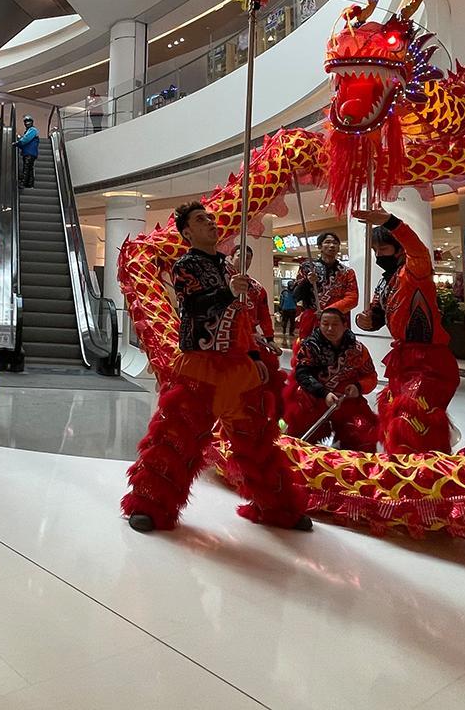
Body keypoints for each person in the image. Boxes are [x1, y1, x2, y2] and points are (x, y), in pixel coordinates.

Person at [121, 200, 311, 533]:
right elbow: (193, 304)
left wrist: (254, 356)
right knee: (176, 438)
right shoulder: (185, 266)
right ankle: (150, 506)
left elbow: (243, 320)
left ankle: (277, 507)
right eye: (200, 220)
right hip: (200, 366)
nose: (210, 222)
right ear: (187, 232)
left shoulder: (229, 268)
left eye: (210, 218)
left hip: (238, 368)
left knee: (257, 441)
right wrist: (227, 292)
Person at [351, 206, 458, 453]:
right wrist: (365, 321)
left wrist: (391, 222)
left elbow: (417, 249)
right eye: (375, 250)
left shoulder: (415, 271)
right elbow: (376, 315)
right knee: (396, 419)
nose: (378, 255)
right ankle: (404, 469)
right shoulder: (384, 283)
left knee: (415, 420)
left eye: (383, 249)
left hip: (430, 362)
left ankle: (426, 469)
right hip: (402, 360)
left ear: (399, 249)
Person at [284, 307, 378, 451]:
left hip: (347, 401)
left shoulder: (358, 349)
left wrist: (358, 387)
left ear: (344, 325)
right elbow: (302, 375)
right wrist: (324, 393)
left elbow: (370, 376)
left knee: (363, 434)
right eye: (325, 324)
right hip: (315, 400)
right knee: (299, 441)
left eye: (335, 324)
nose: (329, 329)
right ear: (319, 324)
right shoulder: (310, 347)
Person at [291, 232, 358, 354]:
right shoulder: (307, 267)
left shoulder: (347, 272)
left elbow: (352, 298)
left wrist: (328, 312)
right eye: (327, 242)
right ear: (319, 246)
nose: (332, 245)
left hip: (338, 319)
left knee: (339, 353)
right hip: (312, 319)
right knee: (309, 353)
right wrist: (307, 281)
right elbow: (296, 295)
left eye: (335, 243)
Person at [13, 115, 40, 188]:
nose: (27, 123)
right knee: (29, 169)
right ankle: (30, 184)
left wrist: (17, 143)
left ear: (32, 122)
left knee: (26, 168)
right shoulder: (28, 131)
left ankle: (23, 183)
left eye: (29, 121)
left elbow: (26, 139)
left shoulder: (33, 130)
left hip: (30, 153)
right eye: (26, 122)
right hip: (28, 153)